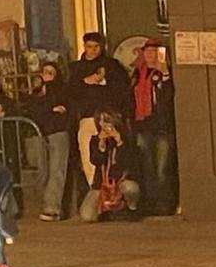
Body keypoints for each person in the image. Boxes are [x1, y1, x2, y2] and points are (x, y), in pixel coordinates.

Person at [69, 33, 132, 192]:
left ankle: (115, 189)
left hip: (110, 117)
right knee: (89, 156)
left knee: (114, 152)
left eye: (96, 47)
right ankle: (95, 189)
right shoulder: (76, 69)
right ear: (84, 47)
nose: (93, 51)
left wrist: (102, 81)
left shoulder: (112, 66)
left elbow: (122, 88)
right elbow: (70, 92)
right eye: (89, 47)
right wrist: (86, 82)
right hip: (88, 117)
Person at [132, 42, 177, 214]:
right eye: (147, 51)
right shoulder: (138, 73)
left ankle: (165, 204)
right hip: (143, 125)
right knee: (147, 166)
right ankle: (150, 203)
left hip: (162, 126)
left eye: (154, 52)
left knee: (162, 167)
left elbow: (167, 97)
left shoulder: (163, 73)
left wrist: (164, 72)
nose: (150, 55)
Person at [27, 61, 75, 220]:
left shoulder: (62, 90)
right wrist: (50, 109)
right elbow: (32, 110)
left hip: (58, 132)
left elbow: (63, 107)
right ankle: (46, 204)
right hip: (41, 132)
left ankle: (52, 208)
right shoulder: (36, 92)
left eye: (51, 72)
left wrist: (49, 103)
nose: (47, 75)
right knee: (43, 170)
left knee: (57, 169)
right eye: (44, 71)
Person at [79, 110, 143, 222]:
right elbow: (95, 161)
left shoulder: (127, 140)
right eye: (100, 121)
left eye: (107, 121)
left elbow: (130, 163)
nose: (103, 125)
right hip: (102, 185)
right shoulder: (95, 140)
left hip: (121, 183)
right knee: (87, 216)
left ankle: (129, 209)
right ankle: (106, 212)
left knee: (131, 188)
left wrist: (119, 142)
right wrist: (102, 146)